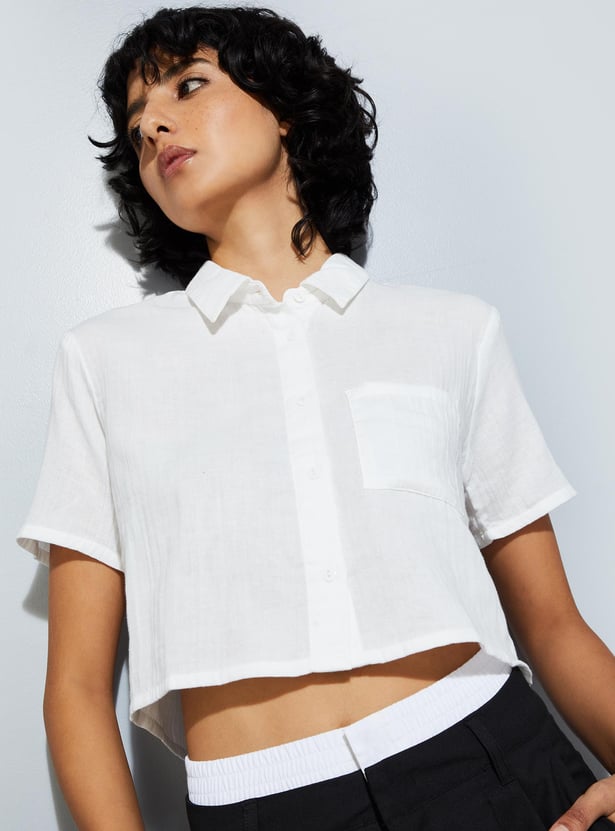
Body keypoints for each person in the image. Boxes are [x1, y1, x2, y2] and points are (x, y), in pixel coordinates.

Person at [15, 5, 615, 831]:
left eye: (187, 86)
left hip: (492, 759)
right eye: (136, 121)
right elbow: (77, 690)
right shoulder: (105, 360)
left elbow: (551, 623)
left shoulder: (450, 331)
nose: (152, 125)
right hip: (262, 807)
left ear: (285, 109)